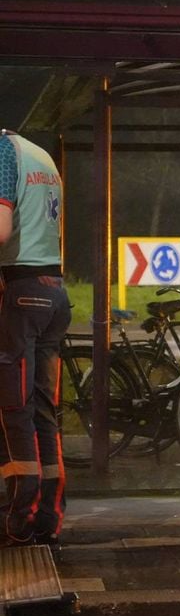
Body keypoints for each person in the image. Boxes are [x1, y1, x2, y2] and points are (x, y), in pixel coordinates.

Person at [0, 129, 70, 549]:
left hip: (22, 290)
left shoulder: (2, 152)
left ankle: (19, 520)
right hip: (53, 291)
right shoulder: (40, 155)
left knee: (14, 407)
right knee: (44, 408)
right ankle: (48, 517)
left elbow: (1, 229)